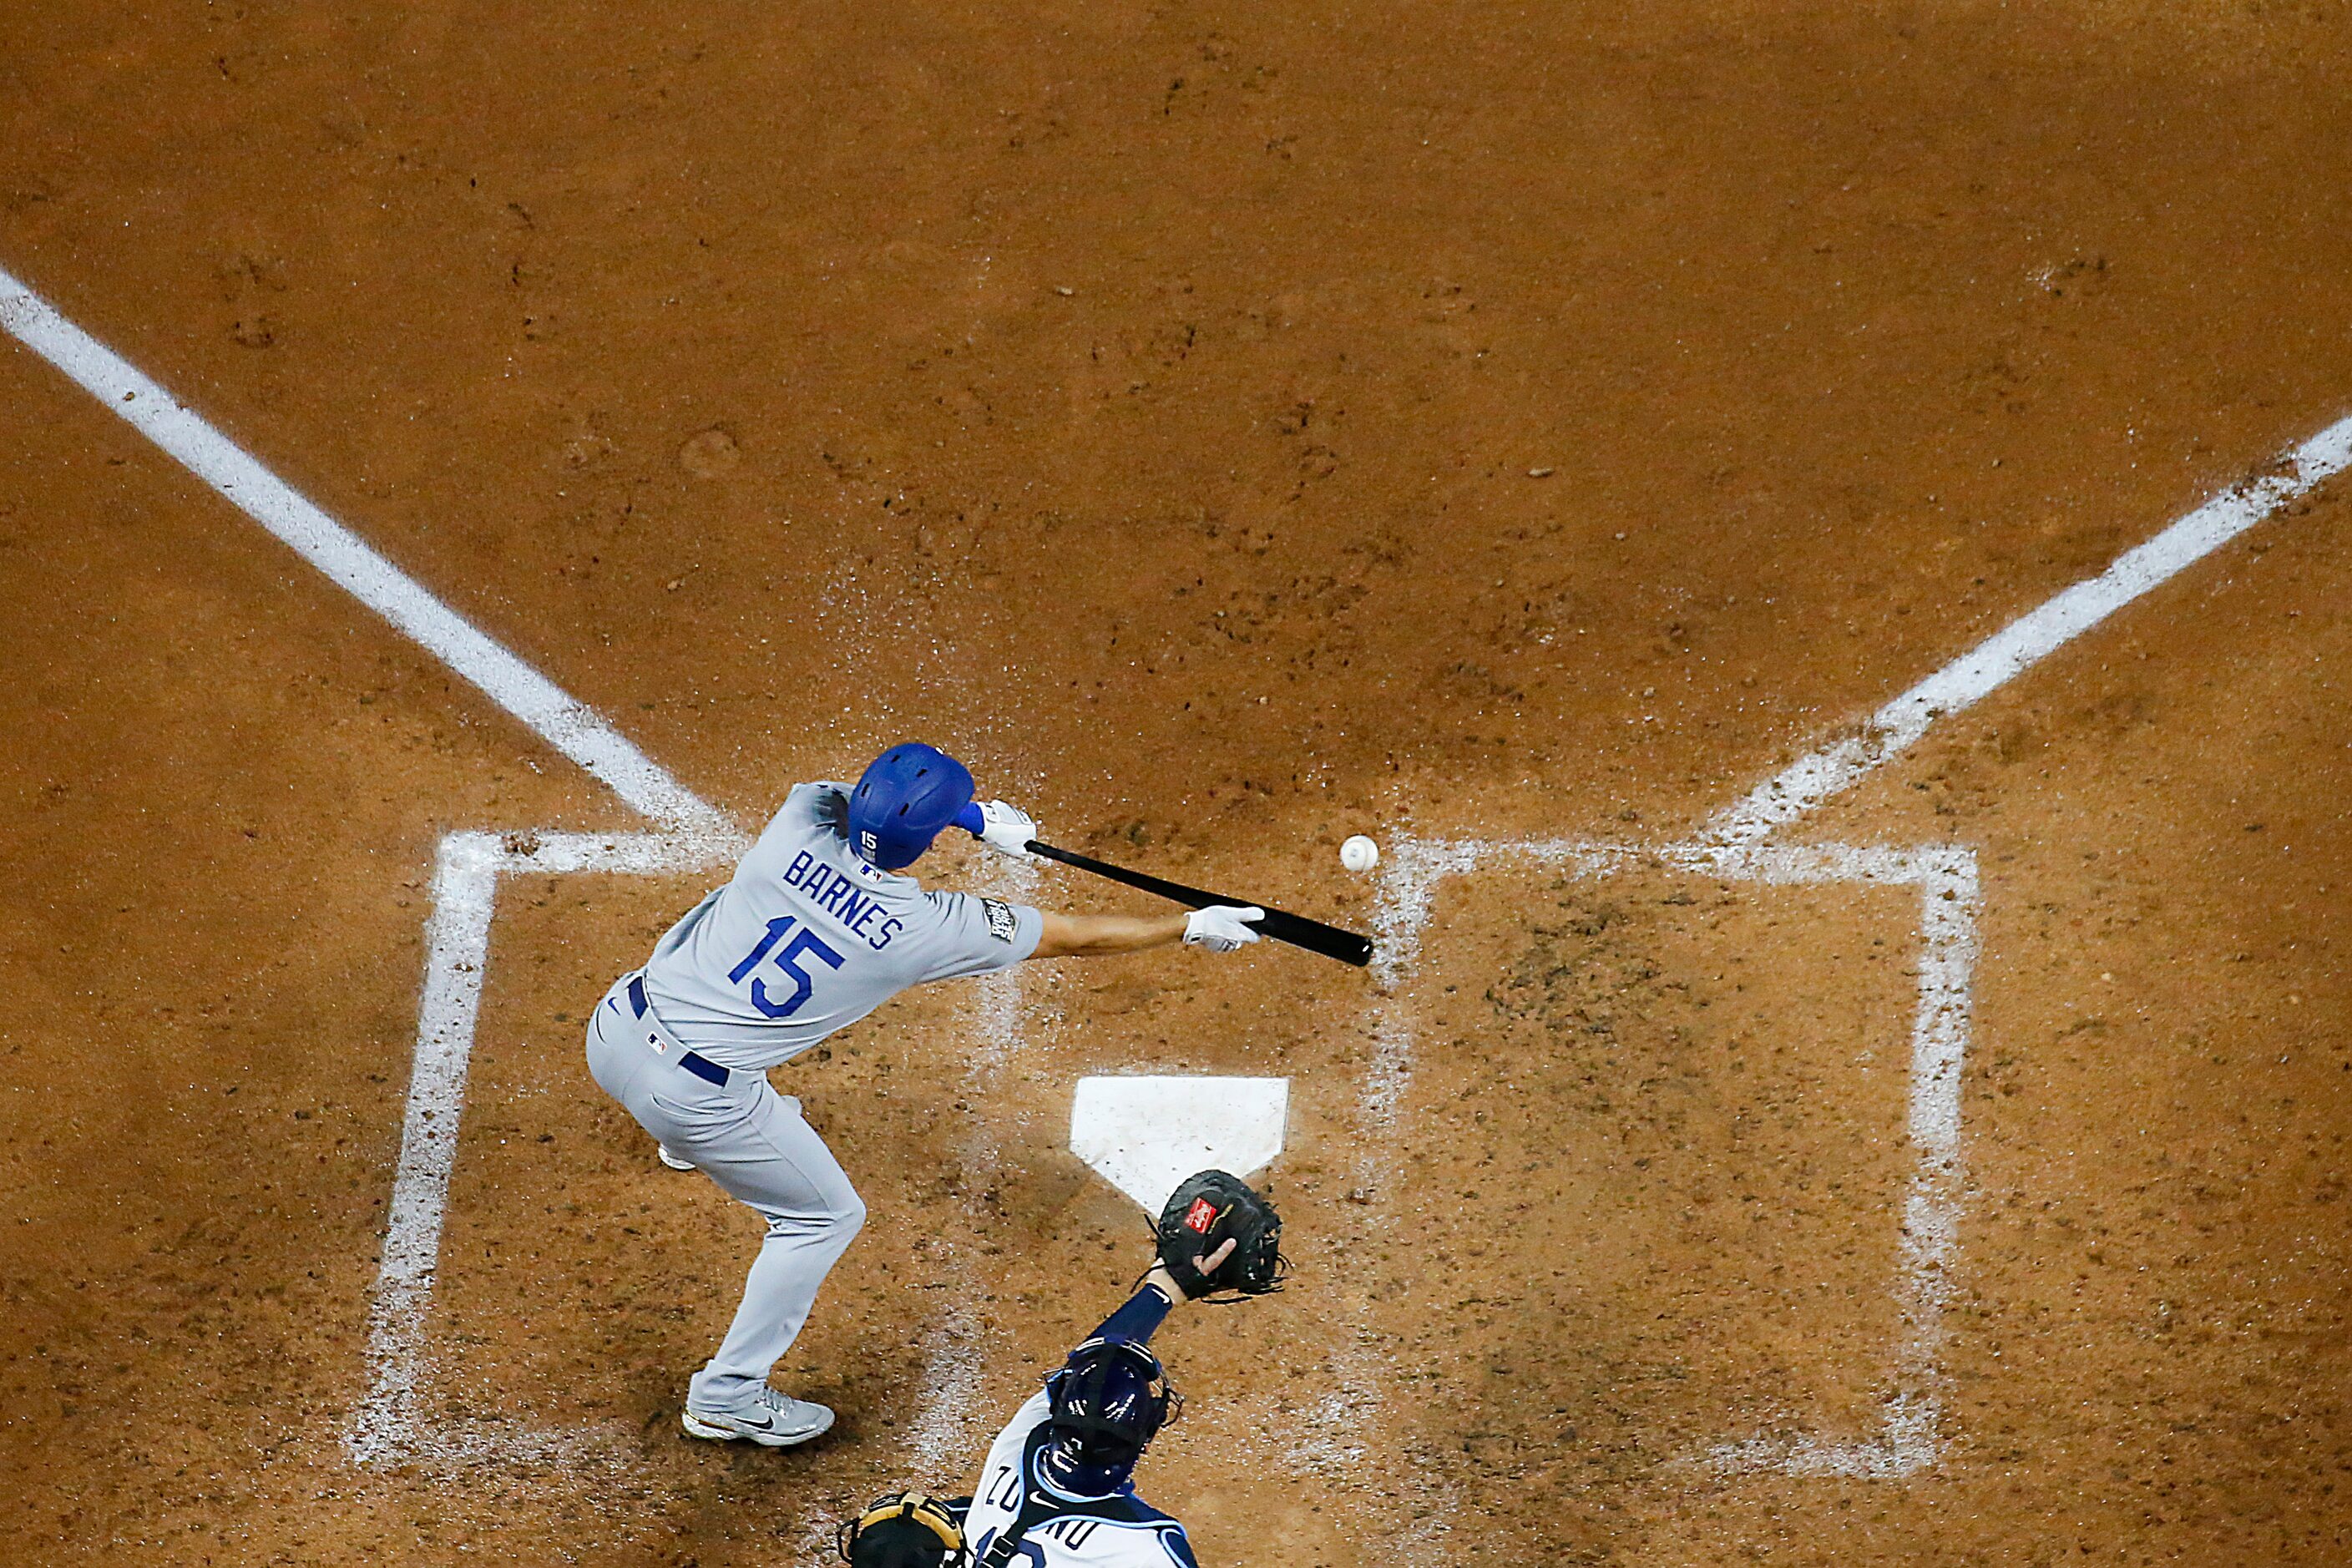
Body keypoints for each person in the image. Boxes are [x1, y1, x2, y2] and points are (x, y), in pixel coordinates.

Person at [584, 743, 1266, 1448]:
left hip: (612, 1031)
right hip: (695, 1100)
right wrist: (1184, 924)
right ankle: (728, 1395)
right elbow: (1069, 936)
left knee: (717, 955)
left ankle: (681, 1142)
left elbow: (848, 796)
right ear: (924, 842)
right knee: (825, 1219)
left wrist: (967, 818)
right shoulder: (919, 931)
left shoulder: (792, 823)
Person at [841, 1237, 1247, 1568]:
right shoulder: (1147, 1548)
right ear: (1140, 1438)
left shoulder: (1020, 1444)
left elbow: (1084, 1367)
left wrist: (1163, 1289)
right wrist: (1171, 1289)